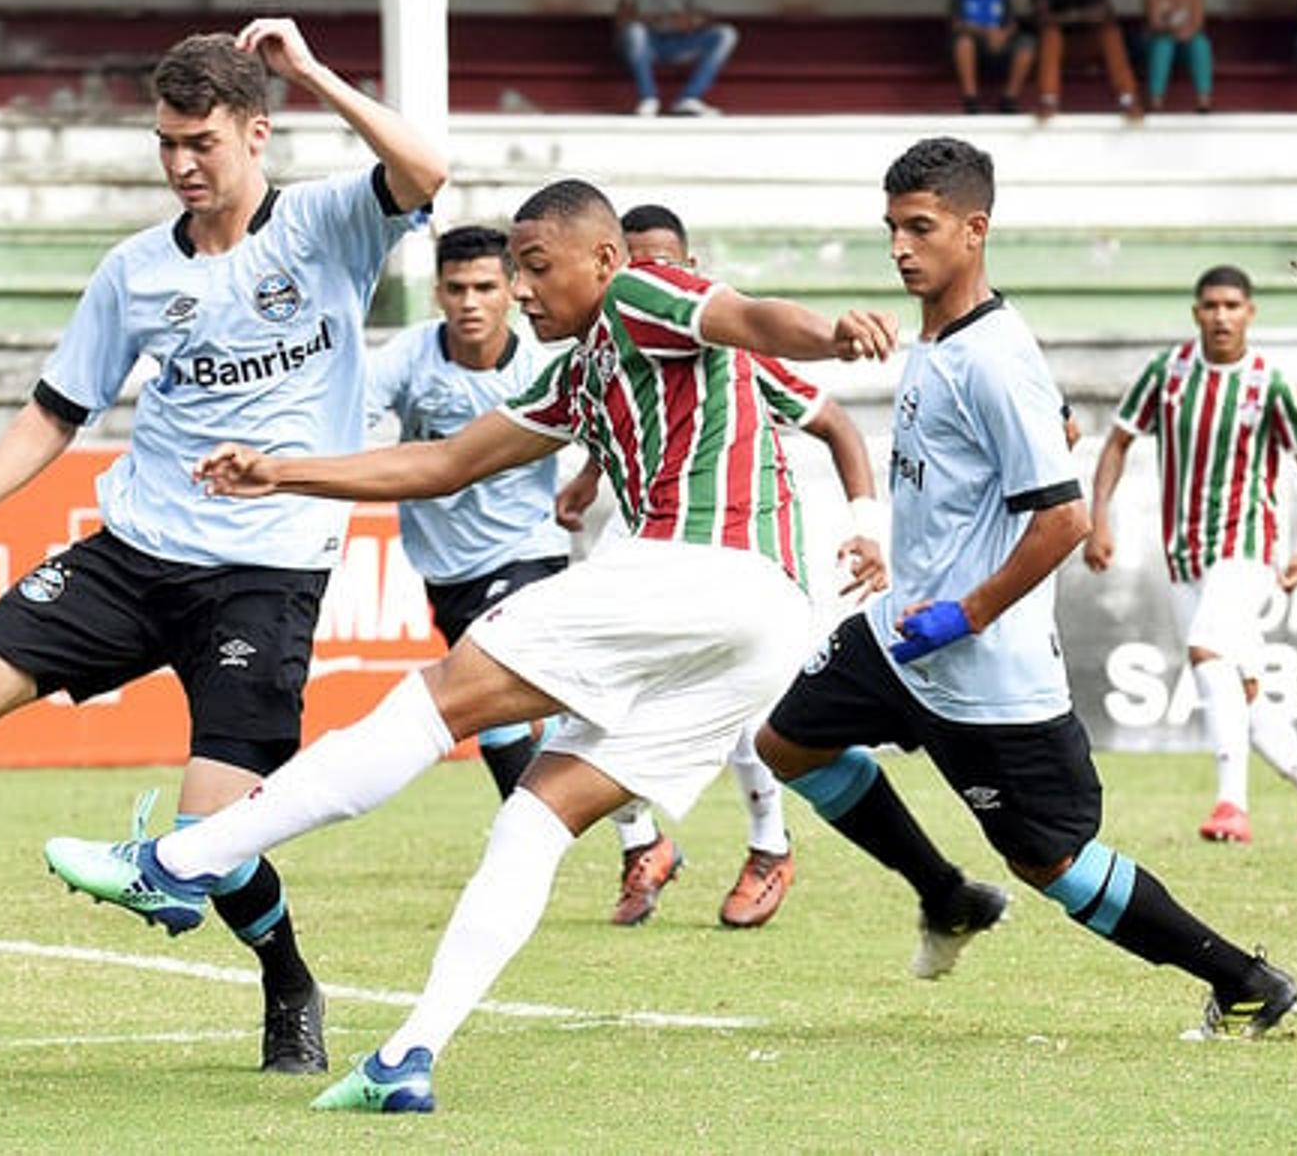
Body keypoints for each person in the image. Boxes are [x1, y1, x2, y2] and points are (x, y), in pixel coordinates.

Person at [44, 177, 898, 1112]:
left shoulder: (643, 292)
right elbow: (444, 463)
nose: (522, 290)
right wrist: (285, 472)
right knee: (532, 822)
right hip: (766, 622)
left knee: (433, 701)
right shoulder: (579, 373)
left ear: (604, 261)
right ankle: (407, 1058)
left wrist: (832, 333)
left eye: (535, 268)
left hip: (694, 564)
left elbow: (749, 315)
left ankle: (177, 864)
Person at [0, 19, 445, 1078]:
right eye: (167, 144)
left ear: (256, 133)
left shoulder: (332, 223)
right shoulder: (135, 269)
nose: (184, 164)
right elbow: (57, 409)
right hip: (136, 553)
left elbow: (426, 169)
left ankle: (289, 982)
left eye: (203, 142)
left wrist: (316, 69)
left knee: (209, 843)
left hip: (268, 571)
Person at [754, 137, 1297, 1050]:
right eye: (891, 227)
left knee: (1050, 861)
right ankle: (946, 896)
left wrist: (963, 612)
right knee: (787, 743)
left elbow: (1065, 520)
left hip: (982, 669)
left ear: (975, 231)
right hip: (900, 636)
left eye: (920, 228)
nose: (900, 246)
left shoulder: (995, 357)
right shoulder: (936, 339)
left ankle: (1245, 981)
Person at [559, 202, 883, 930]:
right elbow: (615, 413)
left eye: (660, 262)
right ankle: (643, 845)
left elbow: (835, 424)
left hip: (730, 546)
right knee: (579, 682)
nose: (646, 278)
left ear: (690, 269)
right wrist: (588, 475)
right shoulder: (606, 346)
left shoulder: (727, 349)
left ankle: (769, 847)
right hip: (640, 537)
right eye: (633, 263)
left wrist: (867, 525)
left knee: (738, 701)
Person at [1085, 266, 1297, 844]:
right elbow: (1118, 442)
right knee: (1240, 684)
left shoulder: (1270, 384)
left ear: (1250, 313)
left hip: (1248, 547)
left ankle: (1232, 805)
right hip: (1184, 553)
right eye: (1211, 305)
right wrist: (1098, 517)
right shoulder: (1168, 374)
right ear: (1196, 313)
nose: (1222, 316)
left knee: (1208, 649)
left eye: (1233, 305)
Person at [367, 224, 566, 800]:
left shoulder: (536, 368)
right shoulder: (411, 355)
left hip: (528, 553)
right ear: (437, 292)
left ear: (511, 290)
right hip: (448, 569)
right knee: (512, 712)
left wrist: (585, 485)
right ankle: (641, 839)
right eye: (456, 288)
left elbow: (604, 431)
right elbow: (351, 416)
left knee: (493, 705)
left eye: (484, 287)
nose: (470, 302)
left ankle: (530, 834)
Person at [614, 0, 739, 117]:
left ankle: (689, 98)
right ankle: (648, 98)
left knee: (726, 34)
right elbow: (621, 20)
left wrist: (692, 20)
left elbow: (707, 16)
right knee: (635, 31)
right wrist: (651, 19)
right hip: (646, 44)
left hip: (677, 43)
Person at [1031, 0, 1143, 120]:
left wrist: (1096, 15)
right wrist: (1078, 15)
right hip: (1058, 50)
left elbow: (1108, 14)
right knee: (1051, 34)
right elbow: (1042, 18)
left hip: (1087, 46)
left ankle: (1127, 99)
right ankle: (1048, 100)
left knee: (1110, 33)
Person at [948, 0, 1037, 114]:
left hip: (1000, 43)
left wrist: (1002, 35)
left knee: (1027, 43)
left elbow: (1012, 24)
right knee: (964, 43)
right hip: (974, 43)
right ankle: (971, 99)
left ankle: (1009, 98)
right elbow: (956, 25)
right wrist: (985, 32)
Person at [1143, 0, 1213, 113]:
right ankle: (1156, 100)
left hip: (1186, 43)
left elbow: (1198, 23)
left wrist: (1186, 33)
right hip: (1161, 43)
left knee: (1201, 43)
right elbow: (1155, 23)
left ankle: (1203, 100)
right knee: (1164, 44)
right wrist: (1172, 29)